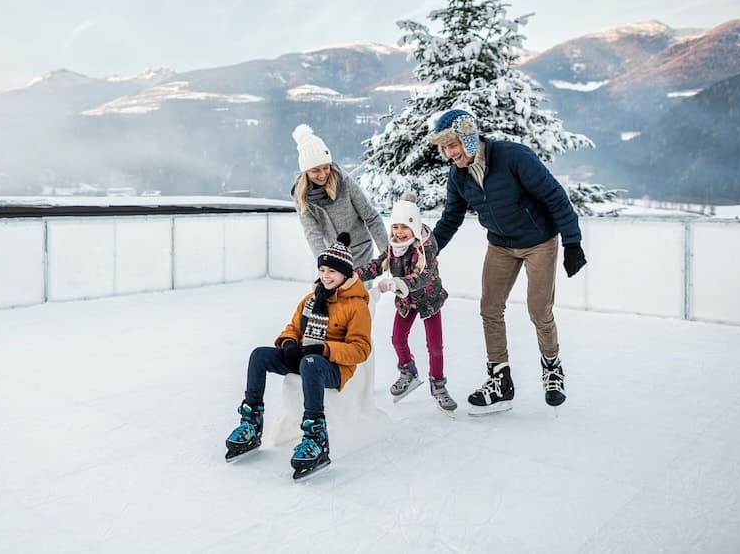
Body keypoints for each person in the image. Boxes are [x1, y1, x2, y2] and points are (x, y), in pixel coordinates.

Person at [427, 108, 587, 414]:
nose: (449, 154)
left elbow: (554, 195)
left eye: (453, 145)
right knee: (490, 308)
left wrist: (572, 242)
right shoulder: (458, 175)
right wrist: (427, 252)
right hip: (501, 245)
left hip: (539, 241)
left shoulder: (513, 157)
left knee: (539, 310)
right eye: (444, 148)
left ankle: (552, 368)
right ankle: (500, 380)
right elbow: (450, 218)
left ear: (468, 138)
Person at [224, 232, 372, 480]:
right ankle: (251, 423)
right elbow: (292, 328)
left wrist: (325, 349)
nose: (326, 275)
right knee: (259, 355)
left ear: (345, 274)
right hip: (305, 358)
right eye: (322, 269)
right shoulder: (310, 300)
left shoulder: (356, 306)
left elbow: (361, 349)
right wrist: (289, 343)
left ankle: (316, 437)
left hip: (333, 367)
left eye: (332, 271)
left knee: (311, 362)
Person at [355, 192, 456, 412]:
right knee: (397, 339)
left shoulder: (426, 248)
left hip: (429, 300)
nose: (399, 232)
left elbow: (423, 276)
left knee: (435, 346)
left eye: (404, 227)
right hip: (406, 301)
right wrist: (353, 274)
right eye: (395, 227)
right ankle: (408, 371)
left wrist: (396, 283)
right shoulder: (393, 246)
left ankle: (438, 385)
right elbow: (377, 265)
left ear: (415, 227)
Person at [291, 124, 389, 269]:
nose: (323, 174)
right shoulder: (301, 196)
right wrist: (324, 264)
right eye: (315, 170)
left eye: (326, 167)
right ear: (305, 172)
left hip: (361, 250)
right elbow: (313, 234)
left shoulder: (344, 182)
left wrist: (386, 253)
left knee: (358, 285)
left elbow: (371, 216)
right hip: (334, 257)